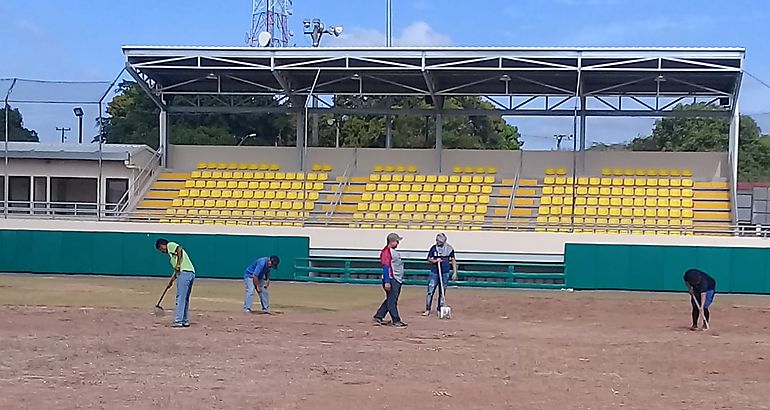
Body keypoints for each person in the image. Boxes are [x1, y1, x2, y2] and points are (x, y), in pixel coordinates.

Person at [155, 238, 196, 328]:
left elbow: (179, 249)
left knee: (180, 297)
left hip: (184, 273)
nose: (161, 251)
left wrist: (178, 264)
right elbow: (176, 272)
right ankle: (185, 320)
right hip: (190, 273)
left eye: (160, 249)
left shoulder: (170, 245)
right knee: (185, 298)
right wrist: (171, 282)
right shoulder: (172, 259)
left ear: (162, 246)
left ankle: (178, 321)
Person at [373, 233, 407, 327]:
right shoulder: (386, 252)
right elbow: (386, 267)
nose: (398, 243)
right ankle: (396, 320)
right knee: (392, 301)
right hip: (392, 278)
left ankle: (379, 316)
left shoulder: (392, 252)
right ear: (391, 242)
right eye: (397, 241)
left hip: (396, 278)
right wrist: (387, 281)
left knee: (390, 299)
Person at [423, 233, 458, 316]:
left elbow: (453, 260)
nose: (438, 242)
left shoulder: (449, 249)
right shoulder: (433, 248)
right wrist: (435, 261)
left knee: (442, 291)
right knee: (430, 291)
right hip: (434, 272)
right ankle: (428, 309)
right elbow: (429, 259)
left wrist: (454, 272)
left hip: (445, 272)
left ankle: (440, 309)